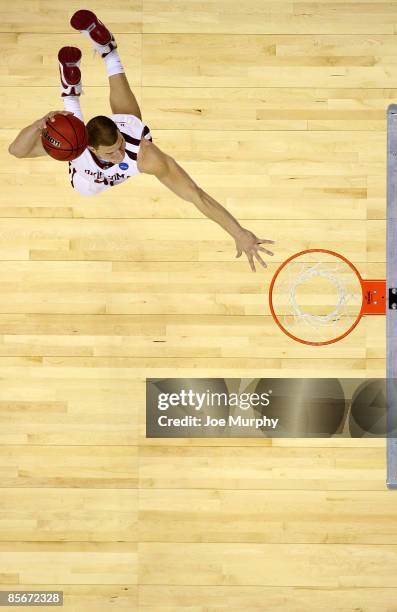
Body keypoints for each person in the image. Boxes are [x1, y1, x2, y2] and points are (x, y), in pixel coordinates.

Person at [8, 10, 274, 272]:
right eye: (111, 153)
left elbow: (197, 195)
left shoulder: (143, 153)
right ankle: (74, 88)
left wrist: (238, 232)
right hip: (87, 178)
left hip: (129, 133)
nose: (120, 155)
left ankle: (108, 55)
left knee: (131, 121)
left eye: (120, 146)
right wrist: (37, 125)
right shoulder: (76, 147)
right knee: (81, 161)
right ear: (91, 147)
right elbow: (16, 151)